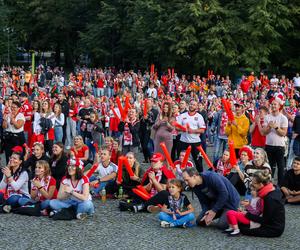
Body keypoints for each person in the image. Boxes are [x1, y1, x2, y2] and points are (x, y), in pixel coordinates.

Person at [240, 171, 285, 237]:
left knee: (242, 229)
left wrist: (247, 215)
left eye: (254, 183)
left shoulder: (269, 198)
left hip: (273, 229)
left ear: (261, 184)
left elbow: (265, 220)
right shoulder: (273, 188)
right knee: (241, 224)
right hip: (271, 224)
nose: (252, 184)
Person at [261, 94, 288, 185]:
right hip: (269, 145)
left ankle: (281, 186)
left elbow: (284, 133)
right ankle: (268, 184)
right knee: (268, 167)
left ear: (279, 106)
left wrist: (276, 128)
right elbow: (264, 132)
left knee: (281, 167)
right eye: (272, 104)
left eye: (275, 104)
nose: (273, 106)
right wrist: (269, 127)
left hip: (280, 146)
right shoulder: (267, 117)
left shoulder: (283, 118)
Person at [177, 100, 206, 172]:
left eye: (194, 105)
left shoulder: (199, 116)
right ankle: (181, 177)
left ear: (196, 107)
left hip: (195, 142)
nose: (192, 106)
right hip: (183, 141)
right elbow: (177, 127)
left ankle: (201, 177)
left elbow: (202, 130)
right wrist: (183, 128)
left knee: (198, 162)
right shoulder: (183, 115)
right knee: (181, 161)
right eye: (191, 104)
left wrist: (192, 131)